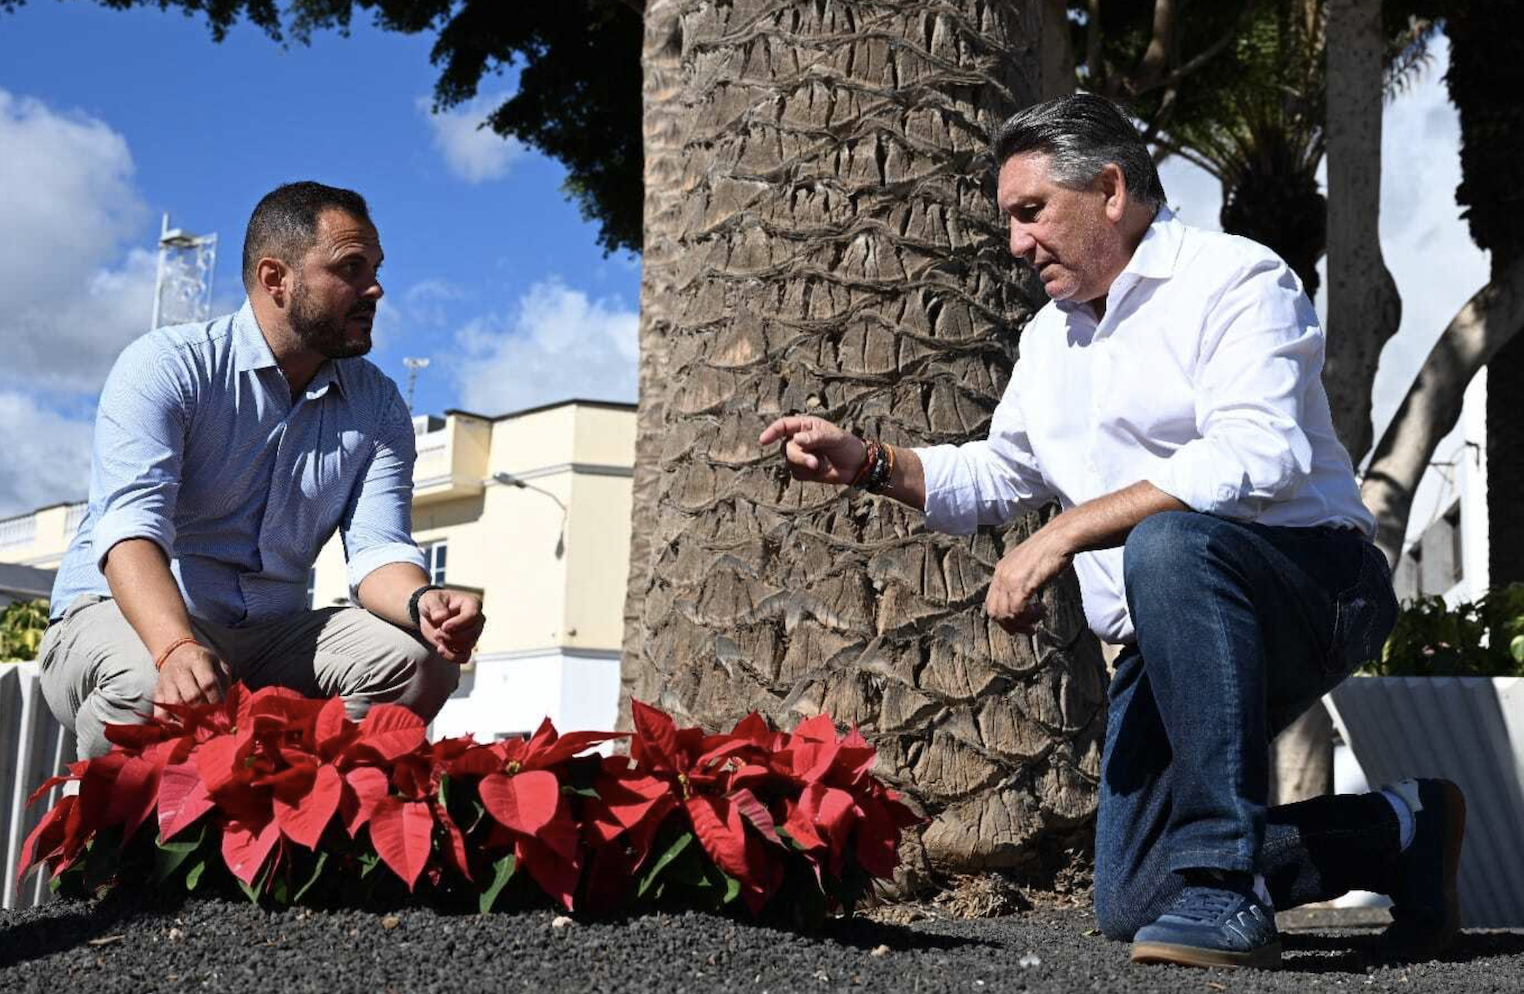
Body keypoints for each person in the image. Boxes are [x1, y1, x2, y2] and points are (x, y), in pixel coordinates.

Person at [760, 95, 1464, 970]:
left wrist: (1063, 536)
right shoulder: (1049, 342)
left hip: (1318, 586)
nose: (1017, 244)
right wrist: (868, 460)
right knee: (1134, 901)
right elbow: (997, 472)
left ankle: (1224, 886)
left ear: (1110, 188)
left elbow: (1259, 454)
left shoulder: (1237, 279)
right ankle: (1398, 827)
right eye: (1010, 221)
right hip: (1170, 629)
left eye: (1030, 213)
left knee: (1168, 543)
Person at [40, 181, 483, 760]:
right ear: (276, 279)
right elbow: (130, 531)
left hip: (272, 633)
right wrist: (175, 647)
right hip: (126, 614)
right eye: (350, 268)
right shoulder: (168, 366)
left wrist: (422, 601)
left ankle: (301, 823)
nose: (374, 288)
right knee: (152, 688)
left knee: (420, 664)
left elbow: (378, 550)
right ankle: (115, 845)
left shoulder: (377, 404)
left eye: (375, 268)